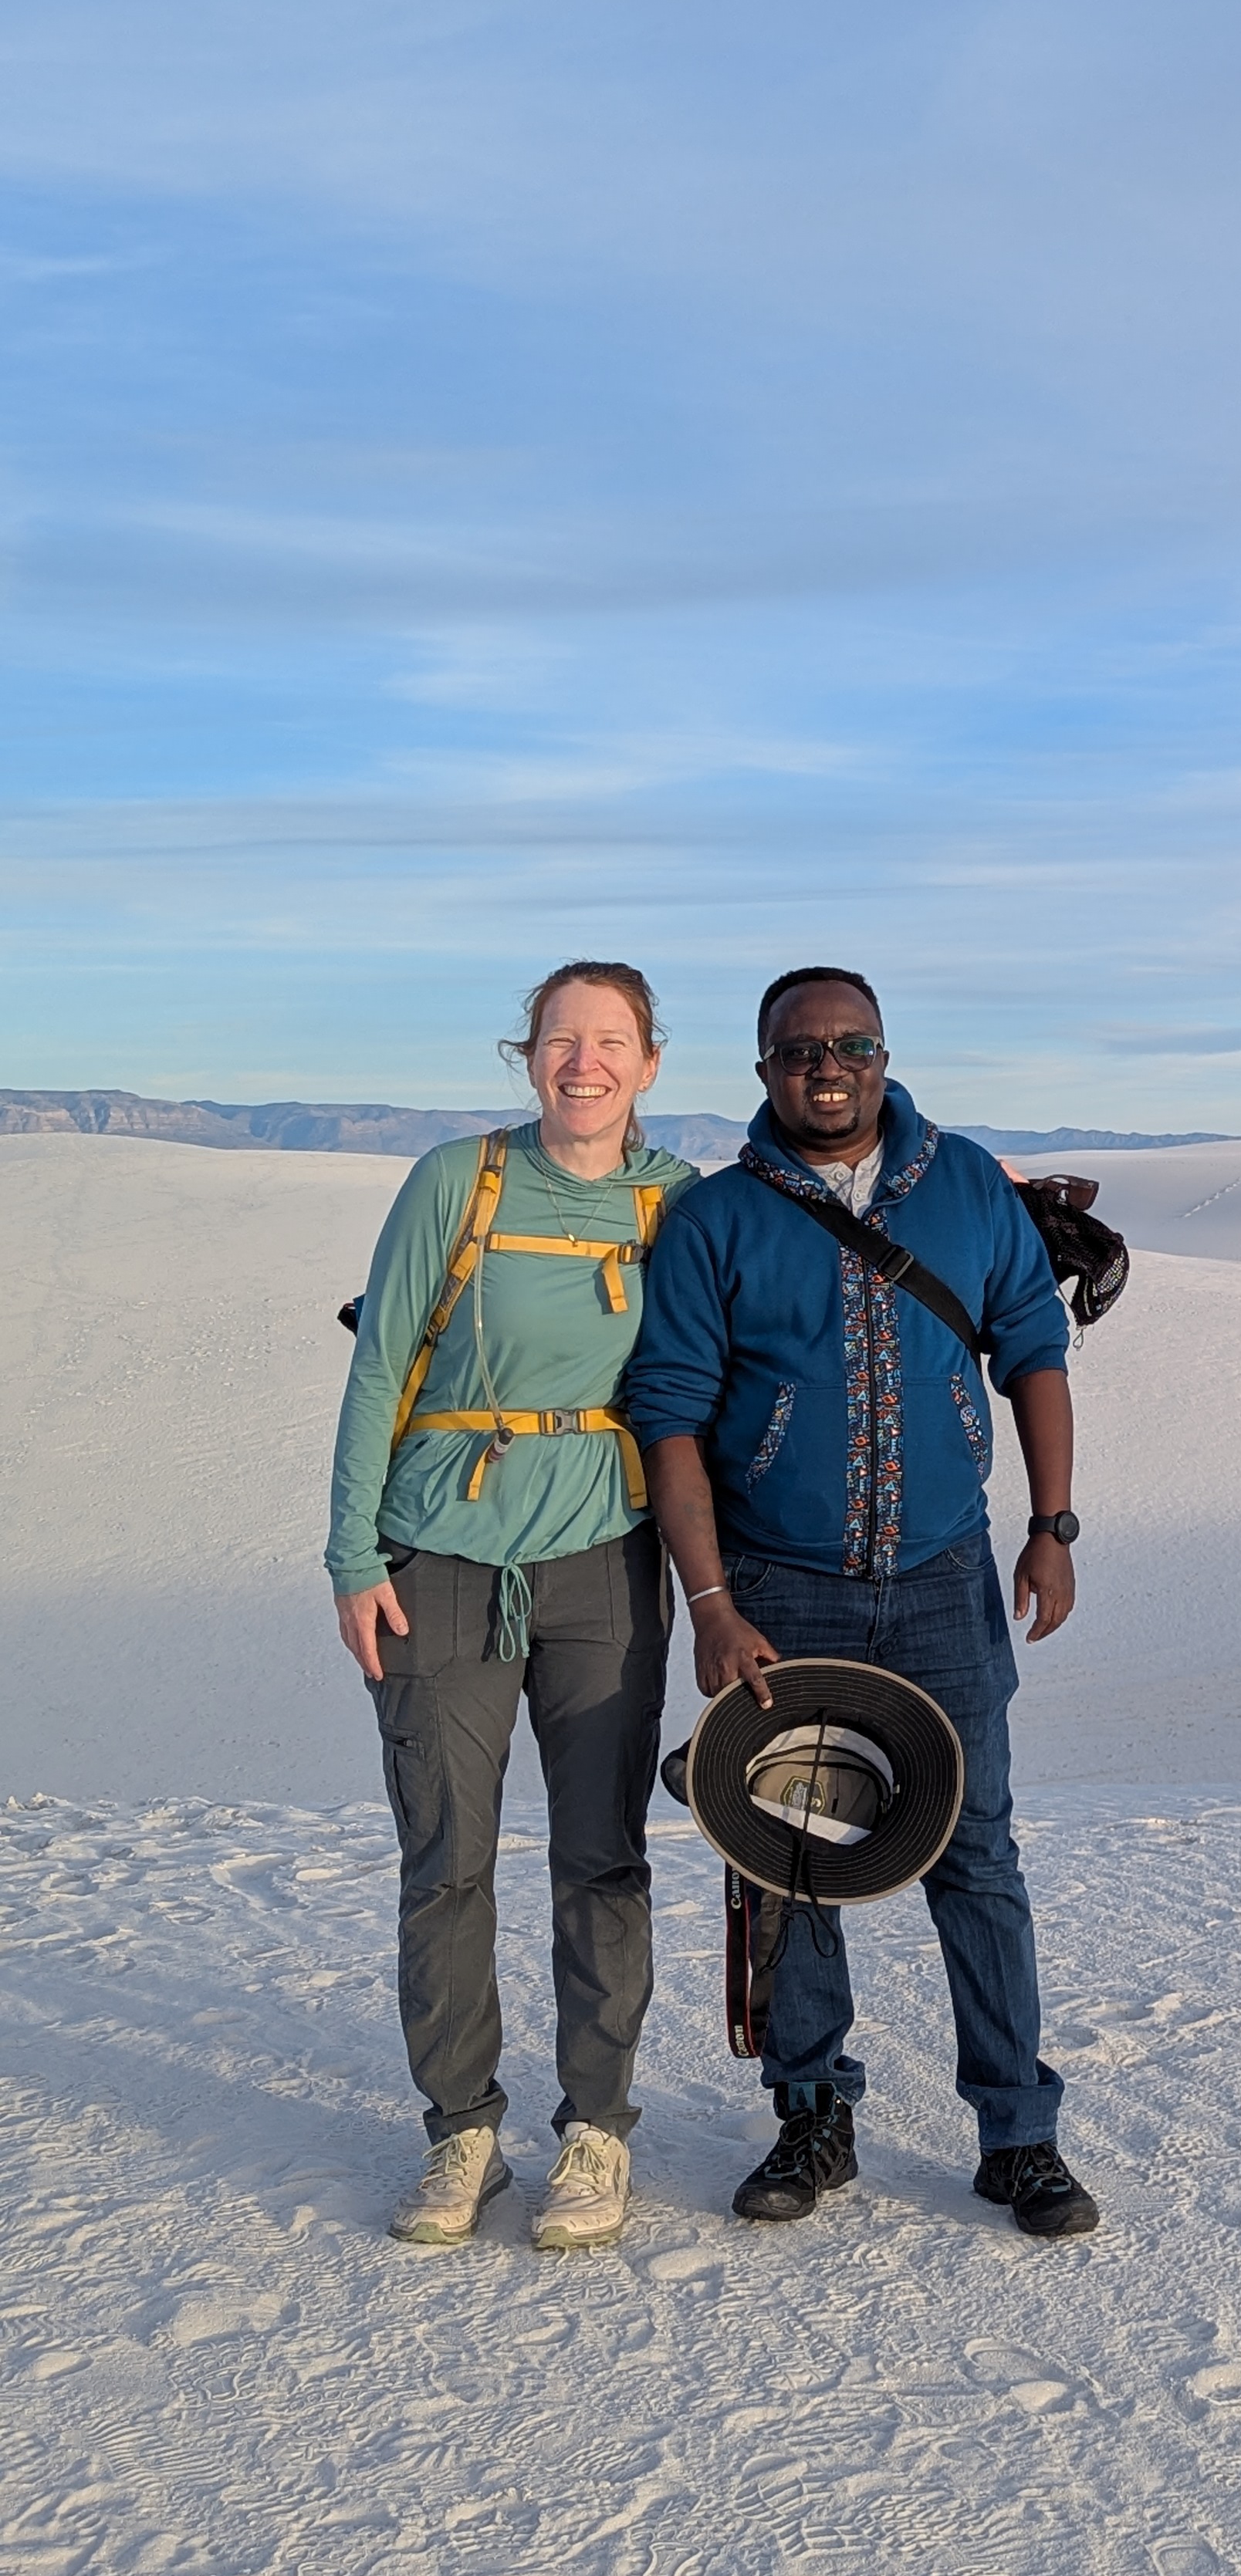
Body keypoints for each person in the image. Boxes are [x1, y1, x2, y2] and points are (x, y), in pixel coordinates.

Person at [627, 968, 1100, 2239]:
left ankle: (1019, 2133)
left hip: (946, 1577)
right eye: (797, 1051)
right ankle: (811, 2115)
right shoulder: (718, 1217)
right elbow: (668, 1411)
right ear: (763, 1065)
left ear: (886, 1053)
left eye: (850, 1045)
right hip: (781, 1584)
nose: (824, 1067)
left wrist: (1052, 1527)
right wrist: (713, 1601)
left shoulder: (966, 1183)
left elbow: (1031, 1349)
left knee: (977, 1856)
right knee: (787, 1858)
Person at [327, 963, 698, 2250]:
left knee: (604, 1858)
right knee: (446, 1862)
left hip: (605, 1553)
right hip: (437, 1549)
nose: (583, 1063)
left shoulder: (680, 1204)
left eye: (610, 1042)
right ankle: (461, 2135)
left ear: (650, 1063)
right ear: (526, 1055)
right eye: (560, 1040)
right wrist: (350, 1560)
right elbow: (380, 1370)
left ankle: (595, 2131)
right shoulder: (458, 1180)